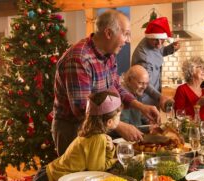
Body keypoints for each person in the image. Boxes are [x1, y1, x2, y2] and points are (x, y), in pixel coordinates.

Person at [52, 10, 160, 155]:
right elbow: (82, 109)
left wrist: (141, 106)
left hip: (99, 127)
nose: (127, 40)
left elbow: (115, 87)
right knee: (77, 176)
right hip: (74, 130)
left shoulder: (109, 54)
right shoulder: (79, 59)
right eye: (126, 33)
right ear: (109, 33)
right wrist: (119, 126)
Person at [3, 90, 121, 181]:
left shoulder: (90, 133)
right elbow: (97, 170)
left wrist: (109, 149)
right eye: (119, 116)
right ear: (109, 122)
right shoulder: (98, 138)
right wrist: (114, 159)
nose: (120, 118)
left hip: (46, 174)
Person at [131, 17, 180, 107]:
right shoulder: (144, 57)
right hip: (144, 101)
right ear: (149, 37)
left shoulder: (153, 42)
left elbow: (159, 51)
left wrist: (172, 48)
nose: (159, 43)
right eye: (156, 40)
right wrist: (160, 97)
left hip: (153, 100)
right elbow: (144, 84)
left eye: (162, 39)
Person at [173, 56, 204, 122]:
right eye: (200, 67)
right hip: (190, 129)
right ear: (191, 70)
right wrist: (197, 104)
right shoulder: (182, 89)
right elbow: (179, 115)